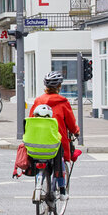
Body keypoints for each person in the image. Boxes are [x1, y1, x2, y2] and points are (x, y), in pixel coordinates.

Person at [29, 71, 80, 201]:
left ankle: (37, 185)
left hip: (36, 140)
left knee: (38, 160)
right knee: (60, 160)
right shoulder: (63, 102)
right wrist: (76, 132)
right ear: (59, 86)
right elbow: (70, 122)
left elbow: (30, 119)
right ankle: (62, 191)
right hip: (56, 141)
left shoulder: (38, 101)